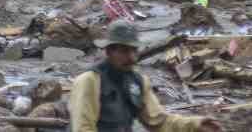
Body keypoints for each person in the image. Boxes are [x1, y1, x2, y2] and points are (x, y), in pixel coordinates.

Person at [70, 21, 216, 132]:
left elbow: (159, 121)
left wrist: (195, 124)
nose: (132, 58)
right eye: (124, 51)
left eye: (134, 50)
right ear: (109, 52)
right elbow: (83, 128)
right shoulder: (89, 81)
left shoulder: (138, 82)